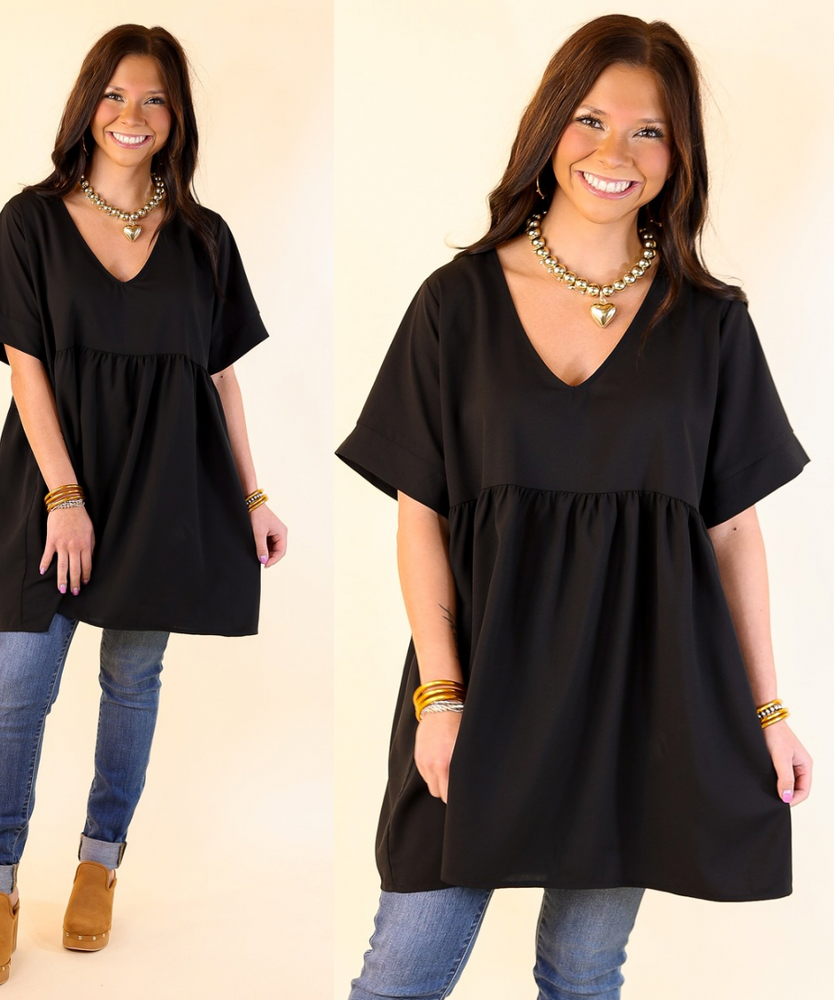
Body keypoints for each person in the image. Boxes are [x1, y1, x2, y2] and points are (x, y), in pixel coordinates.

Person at [337, 14, 811, 999]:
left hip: (638, 700)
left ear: (678, 156)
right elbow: (421, 516)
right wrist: (441, 695)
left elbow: (732, 533)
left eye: (649, 131)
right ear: (550, 126)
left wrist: (768, 711)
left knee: (584, 971)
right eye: (591, 119)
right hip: (479, 688)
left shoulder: (711, 325)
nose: (614, 152)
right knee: (401, 972)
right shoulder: (455, 303)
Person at [0, 24, 286, 987]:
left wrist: (253, 496)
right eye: (113, 95)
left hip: (167, 490)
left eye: (153, 99)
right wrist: (64, 497)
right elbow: (26, 371)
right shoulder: (30, 222)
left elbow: (220, 381)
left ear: (175, 117)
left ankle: (99, 865)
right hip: (53, 487)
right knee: (21, 683)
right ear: (86, 104)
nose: (131, 116)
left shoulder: (204, 239)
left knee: (133, 681)